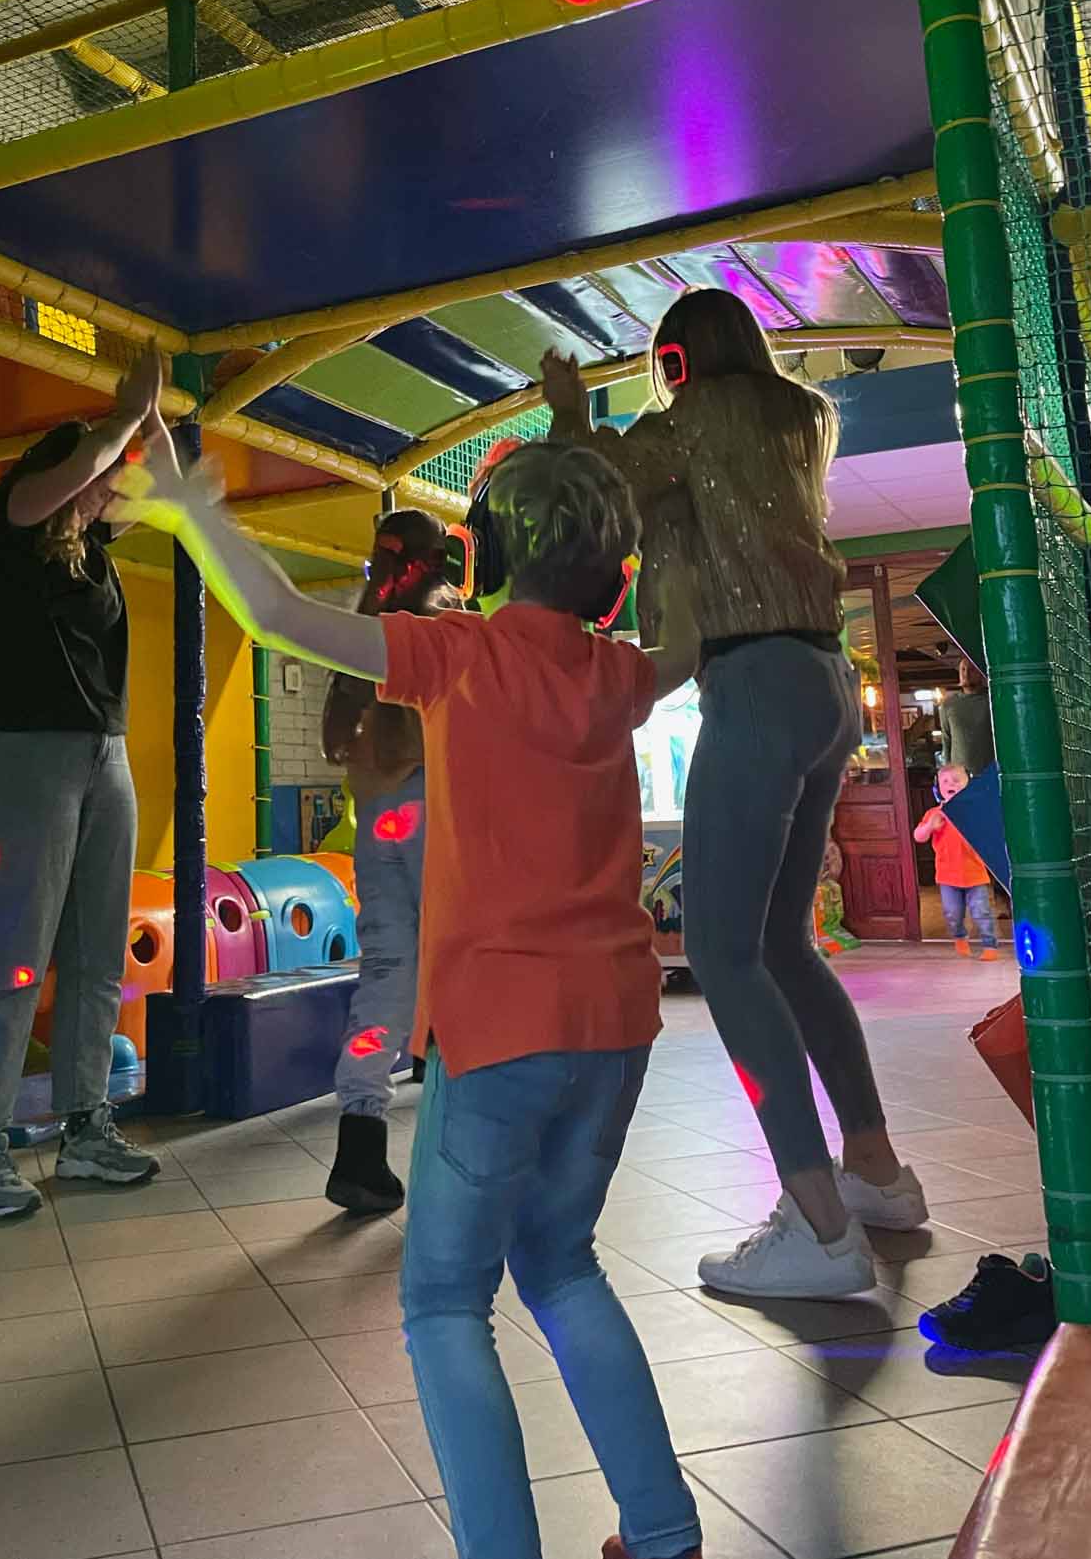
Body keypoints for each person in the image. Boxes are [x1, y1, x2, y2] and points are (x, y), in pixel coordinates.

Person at [125, 413, 704, 1559]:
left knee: (444, 1301)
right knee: (562, 1263)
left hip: (500, 1029)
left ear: (486, 555)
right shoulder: (619, 673)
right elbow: (684, 645)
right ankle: (665, 1530)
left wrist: (195, 511)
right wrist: (679, 534)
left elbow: (277, 616)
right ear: (609, 577)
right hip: (618, 1025)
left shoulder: (460, 655)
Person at [544, 288, 927, 1301]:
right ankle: (876, 1171)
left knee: (719, 952)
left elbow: (601, 483)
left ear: (678, 360)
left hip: (752, 681)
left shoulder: (694, 419)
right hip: (824, 680)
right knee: (787, 946)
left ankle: (819, 1222)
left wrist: (574, 413)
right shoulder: (798, 419)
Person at [0, 357, 165, 1219]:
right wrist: (122, 419)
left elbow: (153, 487)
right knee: (18, 956)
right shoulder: (0, 525)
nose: (110, 490)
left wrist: (152, 427)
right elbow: (75, 476)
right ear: (65, 469)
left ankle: (84, 1128)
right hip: (21, 754)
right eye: (97, 475)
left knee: (96, 952)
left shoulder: (91, 549)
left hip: (101, 751)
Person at [319, 510, 456, 1214]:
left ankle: (361, 1141)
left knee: (386, 972)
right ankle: (458, 1146)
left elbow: (333, 739)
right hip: (437, 806)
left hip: (378, 816)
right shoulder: (446, 615)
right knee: (457, 964)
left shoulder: (363, 624)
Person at [915, 763, 1000, 959]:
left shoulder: (975, 812)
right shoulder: (934, 814)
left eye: (956, 780)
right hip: (947, 876)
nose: (950, 784)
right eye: (945, 781)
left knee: (982, 912)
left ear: (968, 784)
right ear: (937, 788)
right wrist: (929, 826)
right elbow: (918, 836)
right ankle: (960, 937)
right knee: (952, 913)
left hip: (975, 874)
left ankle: (990, 945)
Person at [941, 657, 995, 775]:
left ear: (980, 672)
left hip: (989, 772)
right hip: (959, 776)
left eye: (971, 669)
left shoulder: (992, 699)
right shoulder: (949, 704)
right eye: (963, 669)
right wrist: (947, 772)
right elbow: (946, 740)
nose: (966, 674)